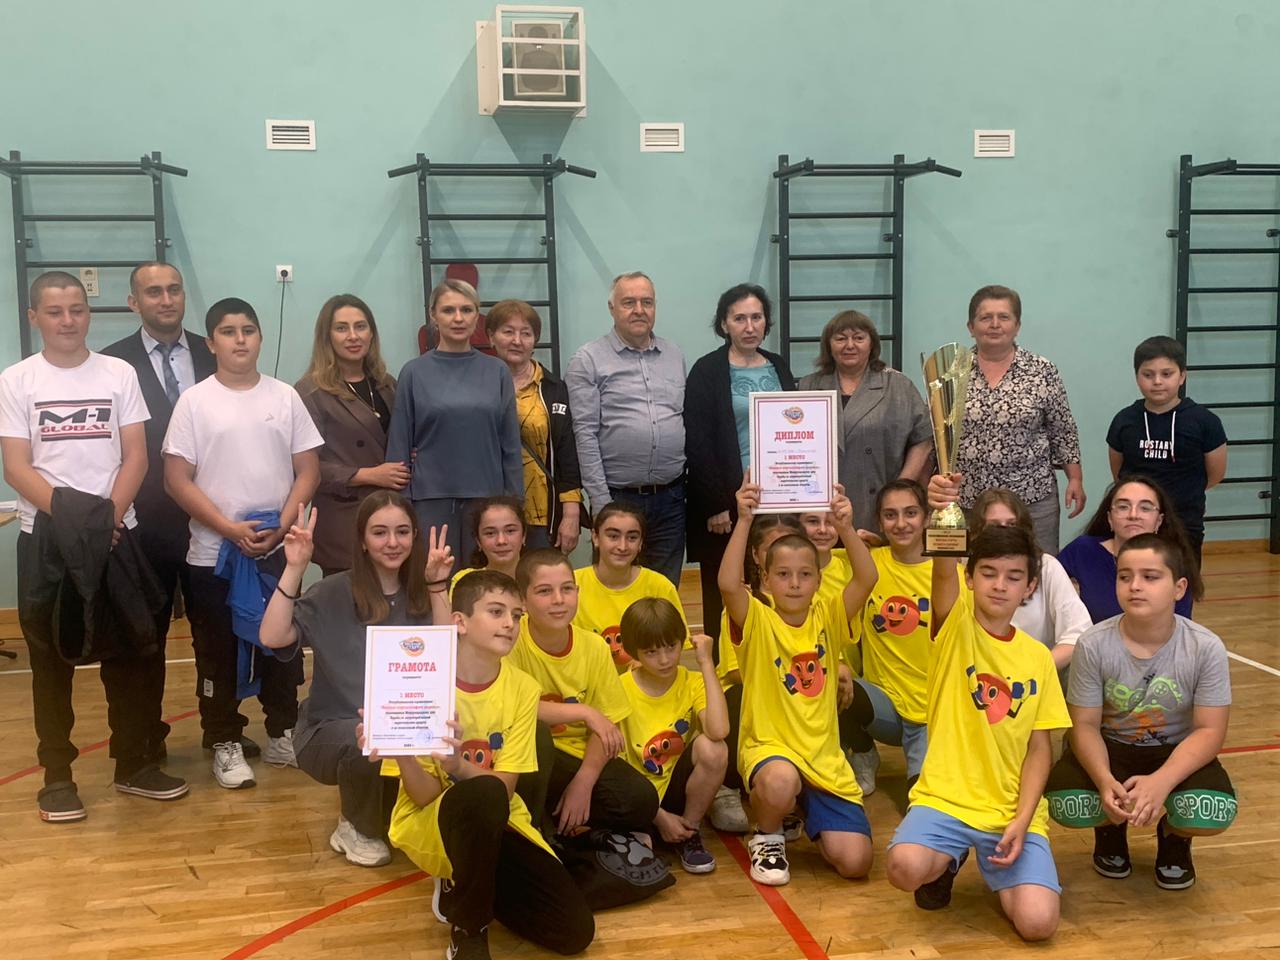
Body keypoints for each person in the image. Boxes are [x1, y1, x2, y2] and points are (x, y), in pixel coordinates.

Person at [0, 271, 188, 821]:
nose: (67, 320)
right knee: (50, 664)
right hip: (47, 542)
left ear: (89, 314)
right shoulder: (17, 381)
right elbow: (17, 467)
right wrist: (78, 524)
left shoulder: (118, 373)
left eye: (77, 310)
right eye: (54, 311)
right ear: (34, 317)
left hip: (116, 537)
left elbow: (137, 456)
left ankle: (133, 765)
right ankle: (57, 777)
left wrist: (105, 522)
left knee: (130, 655)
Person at [372, 569, 595, 960]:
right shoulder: (420, 681)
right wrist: (401, 751)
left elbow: (505, 790)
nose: (510, 623)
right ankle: (469, 928)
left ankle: (474, 879)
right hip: (430, 819)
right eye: (496, 612)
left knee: (574, 933)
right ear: (459, 622)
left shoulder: (523, 689)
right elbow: (423, 797)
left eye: (516, 615)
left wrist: (456, 764)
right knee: (481, 793)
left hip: (500, 815)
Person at [163, 297, 322, 788]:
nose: (239, 340)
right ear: (211, 343)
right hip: (215, 555)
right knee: (218, 650)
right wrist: (229, 528)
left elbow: (308, 470)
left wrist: (283, 525)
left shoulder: (284, 397)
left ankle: (281, 732)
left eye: (248, 330)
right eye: (228, 332)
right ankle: (224, 739)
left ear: (259, 337)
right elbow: (176, 479)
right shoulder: (195, 402)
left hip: (278, 552)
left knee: (282, 646)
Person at [885, 524, 1069, 942]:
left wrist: (1023, 820)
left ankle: (995, 867)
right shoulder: (954, 627)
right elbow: (942, 572)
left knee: (1038, 925)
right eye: (988, 573)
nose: (999, 585)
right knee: (903, 868)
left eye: (1013, 576)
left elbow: (1040, 750)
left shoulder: (1039, 658)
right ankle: (948, 858)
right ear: (969, 578)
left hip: (1007, 811)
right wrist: (941, 512)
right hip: (945, 801)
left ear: (1029, 587)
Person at [258, 493, 439, 867]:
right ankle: (355, 826)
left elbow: (448, 657)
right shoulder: (332, 591)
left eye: (402, 531)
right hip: (330, 731)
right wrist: (294, 568)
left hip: (408, 727)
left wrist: (438, 588)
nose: (392, 542)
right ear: (363, 540)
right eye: (380, 532)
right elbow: (272, 637)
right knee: (370, 733)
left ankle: (386, 806)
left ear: (414, 536)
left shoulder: (423, 592)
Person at [1046, 534, 1235, 890]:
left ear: (1179, 588)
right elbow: (1084, 725)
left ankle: (1174, 836)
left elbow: (1210, 731)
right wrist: (1104, 780)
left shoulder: (1205, 647)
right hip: (1112, 749)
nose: (1135, 586)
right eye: (1125, 576)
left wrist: (1162, 781)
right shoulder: (1093, 643)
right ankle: (1110, 829)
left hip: (1174, 751)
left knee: (1212, 811)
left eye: (1150, 577)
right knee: (1067, 803)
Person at [718, 475, 878, 886]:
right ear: (766, 577)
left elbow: (866, 579)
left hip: (823, 760)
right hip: (771, 751)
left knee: (856, 863)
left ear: (819, 580)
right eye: (784, 574)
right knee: (781, 780)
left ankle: (804, 811)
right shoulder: (757, 618)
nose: (794, 583)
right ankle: (768, 835)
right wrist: (743, 519)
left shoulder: (828, 616)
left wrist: (845, 527)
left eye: (805, 574)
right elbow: (727, 584)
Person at [102, 261, 216, 763]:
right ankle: (143, 736)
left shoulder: (214, 353)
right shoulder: (112, 364)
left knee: (214, 633)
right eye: (153, 292)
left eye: (173, 289)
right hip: (142, 524)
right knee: (141, 638)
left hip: (209, 518)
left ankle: (221, 728)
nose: (166, 299)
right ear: (134, 302)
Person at [508, 548, 659, 836]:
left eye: (567, 589)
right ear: (522, 600)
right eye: (544, 591)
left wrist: (584, 782)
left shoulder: (594, 646)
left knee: (641, 801)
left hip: (576, 757)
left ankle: (565, 825)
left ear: (578, 592)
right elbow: (517, 710)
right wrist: (585, 711)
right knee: (538, 736)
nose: (558, 600)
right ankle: (536, 831)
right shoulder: (512, 641)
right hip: (527, 760)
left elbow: (607, 726)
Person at [684, 283, 796, 646]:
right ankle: (724, 668)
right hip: (729, 504)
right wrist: (716, 504)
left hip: (778, 498)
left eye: (757, 317)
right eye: (739, 318)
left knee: (775, 581)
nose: (749, 327)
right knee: (726, 589)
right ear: (724, 324)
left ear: (766, 322)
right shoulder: (707, 370)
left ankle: (775, 656)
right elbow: (697, 441)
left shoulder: (778, 365)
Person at [386, 278, 522, 567]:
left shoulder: (497, 371)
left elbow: (510, 445)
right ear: (433, 315)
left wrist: (513, 504)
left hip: (488, 500)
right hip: (429, 500)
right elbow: (399, 444)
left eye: (466, 310)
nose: (458, 318)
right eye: (448, 310)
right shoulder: (413, 372)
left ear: (477, 315)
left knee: (485, 583)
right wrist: (398, 506)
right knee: (434, 580)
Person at [566, 272, 687, 586]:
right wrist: (601, 503)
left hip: (671, 498)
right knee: (616, 589)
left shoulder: (674, 355)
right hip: (618, 499)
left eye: (647, 302)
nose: (639, 310)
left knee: (663, 590)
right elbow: (585, 435)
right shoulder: (588, 359)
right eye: (629, 302)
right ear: (612, 308)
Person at [954, 285, 1085, 553]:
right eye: (985, 317)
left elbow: (1063, 429)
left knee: (1037, 569)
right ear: (970, 326)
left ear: (1017, 326)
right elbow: (935, 435)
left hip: (1032, 499)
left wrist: (1075, 479)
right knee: (972, 573)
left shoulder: (1042, 371)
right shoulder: (952, 371)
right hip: (968, 500)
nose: (994, 324)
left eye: (1004, 317)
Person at [295, 294, 407, 576]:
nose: (353, 336)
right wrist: (368, 475)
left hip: (390, 516)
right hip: (345, 519)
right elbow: (307, 467)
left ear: (372, 333)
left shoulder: (387, 384)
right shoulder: (310, 391)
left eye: (361, 326)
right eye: (342, 328)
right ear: (327, 336)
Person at [709, 511, 806, 836]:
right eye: (771, 547)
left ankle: (799, 787)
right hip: (750, 702)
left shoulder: (810, 601)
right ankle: (727, 785)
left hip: (793, 702)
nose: (781, 552)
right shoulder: (744, 604)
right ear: (755, 555)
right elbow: (737, 673)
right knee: (740, 697)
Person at [617, 599, 729, 873]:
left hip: (674, 790)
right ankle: (649, 829)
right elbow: (614, 767)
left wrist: (706, 663)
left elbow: (719, 730)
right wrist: (658, 817)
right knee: (640, 853)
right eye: (652, 652)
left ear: (682, 641)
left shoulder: (692, 682)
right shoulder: (619, 688)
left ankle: (688, 831)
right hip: (635, 795)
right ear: (634, 651)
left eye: (671, 647)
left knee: (714, 748)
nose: (665, 659)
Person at [798, 310, 933, 533]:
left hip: (878, 505)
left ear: (872, 344)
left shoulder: (897, 385)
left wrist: (901, 486)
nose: (849, 345)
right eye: (840, 338)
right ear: (828, 345)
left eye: (859, 338)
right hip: (822, 509)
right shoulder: (808, 386)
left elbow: (924, 439)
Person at [842, 480, 933, 797]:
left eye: (911, 513)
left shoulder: (949, 573)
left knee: (921, 804)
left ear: (926, 518)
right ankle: (863, 751)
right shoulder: (867, 565)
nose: (901, 523)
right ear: (880, 522)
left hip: (930, 715)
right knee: (828, 682)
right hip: (881, 707)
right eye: (890, 515)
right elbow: (815, 559)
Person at [1106, 336, 1227, 565]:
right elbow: (1119, 473)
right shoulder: (1124, 420)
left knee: (1182, 579)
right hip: (1136, 523)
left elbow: (1215, 474)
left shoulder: (1205, 422)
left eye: (1166, 374)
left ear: (1182, 376)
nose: (1157, 382)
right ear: (1137, 377)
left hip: (1185, 522)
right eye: (1148, 374)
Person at [486, 299, 583, 553]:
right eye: (508, 332)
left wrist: (571, 513)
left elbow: (566, 453)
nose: (517, 340)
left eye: (526, 333)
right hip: (490, 512)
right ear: (491, 337)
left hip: (541, 512)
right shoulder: (477, 386)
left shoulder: (553, 388)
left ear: (535, 340)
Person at [967, 486, 1092, 669]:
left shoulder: (1046, 566)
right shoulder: (963, 566)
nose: (1004, 532)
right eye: (994, 525)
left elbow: (1078, 634)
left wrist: (1033, 671)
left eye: (1012, 524)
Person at [1058, 476, 1202, 622]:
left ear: (1159, 521)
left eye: (1145, 508)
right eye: (1123, 507)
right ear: (1109, 518)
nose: (1133, 515)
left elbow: (1178, 625)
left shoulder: (1173, 559)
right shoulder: (1083, 550)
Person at [574, 502, 687, 671]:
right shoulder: (572, 585)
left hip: (644, 683)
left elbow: (673, 651)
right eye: (613, 536)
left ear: (640, 543)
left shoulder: (660, 586)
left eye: (632, 538)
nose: (622, 546)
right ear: (595, 538)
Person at [449, 495, 526, 591]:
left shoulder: (540, 579)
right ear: (478, 541)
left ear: (524, 535)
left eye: (510, 531)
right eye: (490, 533)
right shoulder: (466, 581)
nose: (501, 541)